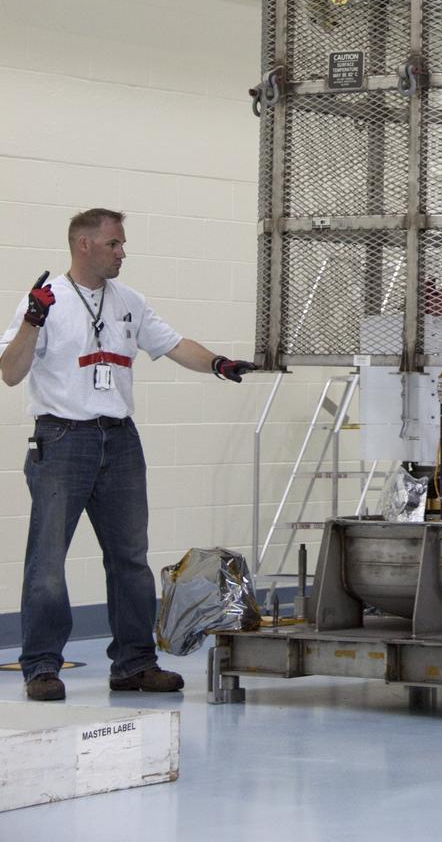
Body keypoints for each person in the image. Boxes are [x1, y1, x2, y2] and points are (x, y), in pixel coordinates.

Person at [0, 208, 258, 702]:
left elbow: (176, 344)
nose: (123, 252)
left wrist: (219, 365)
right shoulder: (46, 302)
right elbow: (10, 373)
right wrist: (33, 319)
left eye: (121, 244)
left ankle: (135, 663)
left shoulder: (129, 301)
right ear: (84, 246)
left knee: (130, 559)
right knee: (48, 562)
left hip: (119, 440)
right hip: (61, 441)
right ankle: (41, 667)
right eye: (114, 244)